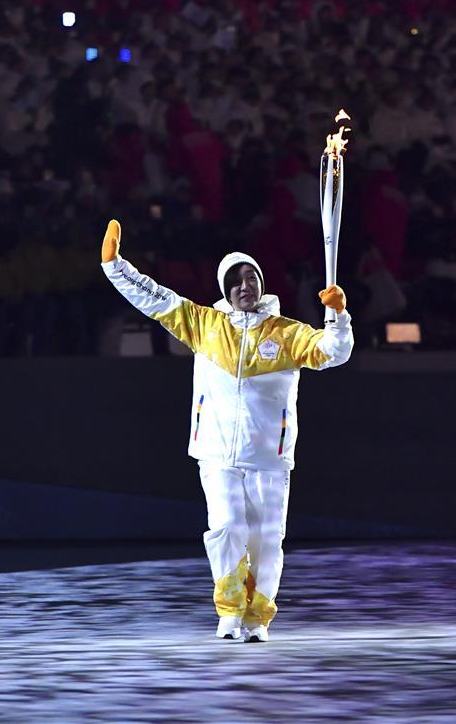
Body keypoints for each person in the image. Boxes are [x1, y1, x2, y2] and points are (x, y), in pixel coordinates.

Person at [101, 219, 353, 642]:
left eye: (250, 277)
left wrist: (338, 316)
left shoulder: (286, 333)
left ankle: (258, 619)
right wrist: (115, 266)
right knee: (225, 527)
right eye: (234, 280)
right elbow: (153, 297)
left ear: (261, 282)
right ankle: (230, 611)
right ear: (225, 289)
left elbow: (334, 352)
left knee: (266, 540)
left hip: (269, 457)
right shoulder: (204, 325)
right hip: (216, 452)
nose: (244, 286)